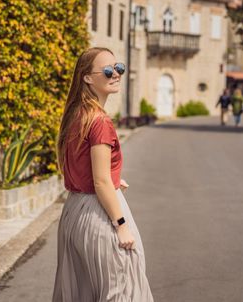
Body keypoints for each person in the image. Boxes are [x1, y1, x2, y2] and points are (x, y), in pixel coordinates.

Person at [52, 47, 154, 301]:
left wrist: (115, 179)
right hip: (98, 213)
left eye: (118, 68)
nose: (116, 74)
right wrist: (121, 225)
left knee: (84, 290)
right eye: (108, 70)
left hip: (74, 211)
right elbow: (99, 181)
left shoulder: (77, 115)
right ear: (87, 78)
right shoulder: (99, 121)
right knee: (122, 285)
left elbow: (86, 168)